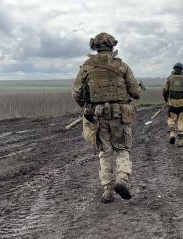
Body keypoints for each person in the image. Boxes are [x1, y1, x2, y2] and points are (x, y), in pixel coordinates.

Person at [72, 32, 142, 203]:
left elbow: (77, 93)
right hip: (120, 116)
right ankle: (122, 179)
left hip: (98, 118)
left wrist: (87, 107)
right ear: (112, 46)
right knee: (122, 149)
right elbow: (135, 93)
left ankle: (108, 191)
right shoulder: (122, 66)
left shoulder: (86, 67)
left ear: (94, 46)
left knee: (105, 153)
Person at [162, 63, 183, 147]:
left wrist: (166, 100)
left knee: (171, 118)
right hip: (182, 104)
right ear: (182, 70)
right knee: (181, 120)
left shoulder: (169, 79)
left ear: (174, 69)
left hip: (172, 103)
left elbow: (165, 91)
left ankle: (172, 133)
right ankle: (181, 141)